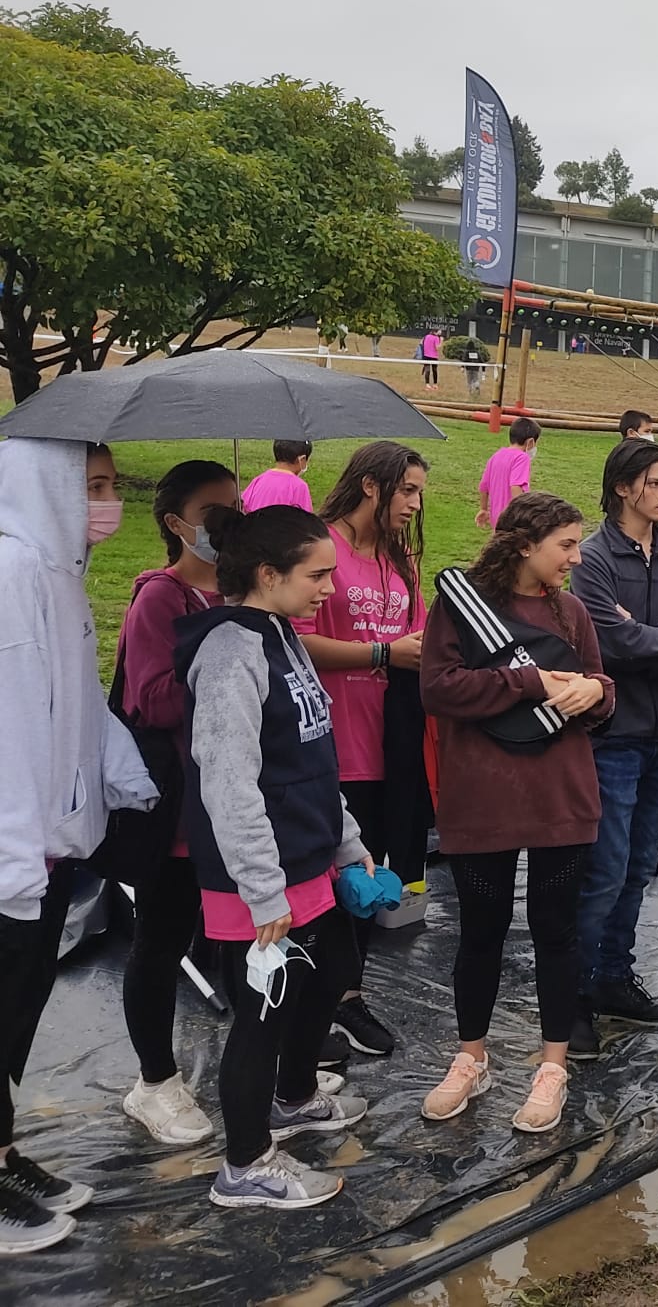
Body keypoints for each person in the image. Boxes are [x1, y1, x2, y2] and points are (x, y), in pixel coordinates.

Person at [175, 504, 373, 1209]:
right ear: (267, 574)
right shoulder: (231, 652)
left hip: (307, 858)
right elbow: (227, 783)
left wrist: (347, 842)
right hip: (258, 878)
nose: (330, 587)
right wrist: (263, 892)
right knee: (262, 1016)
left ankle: (292, 1099)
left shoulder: (281, 632)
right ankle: (246, 1163)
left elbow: (313, 755)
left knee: (329, 980)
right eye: (317, 574)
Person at [0, 439, 156, 1250]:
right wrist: (15, 854)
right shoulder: (12, 575)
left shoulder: (59, 574)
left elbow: (80, 708)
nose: (107, 502)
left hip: (50, 847)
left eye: (109, 484)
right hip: (13, 854)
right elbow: (10, 724)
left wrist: (126, 776)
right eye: (90, 486)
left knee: (18, 1010)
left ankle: (4, 1153)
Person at [419, 494, 615, 1134]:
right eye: (566, 545)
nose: (576, 558)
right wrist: (533, 683)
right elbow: (439, 688)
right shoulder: (461, 605)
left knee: (557, 931)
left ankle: (553, 1066)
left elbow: (596, 688)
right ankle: (471, 1056)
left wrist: (595, 692)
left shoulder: (574, 611)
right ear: (525, 544)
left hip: (560, 798)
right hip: (483, 797)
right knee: (481, 931)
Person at [569, 441, 658, 1057]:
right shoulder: (593, 560)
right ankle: (572, 999)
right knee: (603, 872)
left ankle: (613, 978)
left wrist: (649, 636)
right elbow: (612, 645)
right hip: (611, 738)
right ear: (626, 487)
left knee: (641, 868)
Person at [113, 459, 237, 1148]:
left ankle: (265, 1061)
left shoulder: (237, 592)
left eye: (235, 508)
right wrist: (223, 659)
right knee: (160, 941)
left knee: (236, 933)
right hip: (179, 813)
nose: (229, 523)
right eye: (216, 514)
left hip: (232, 805)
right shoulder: (159, 599)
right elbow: (150, 700)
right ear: (177, 524)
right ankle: (155, 1081)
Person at [296, 442, 431, 1060]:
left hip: (389, 741)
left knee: (370, 873)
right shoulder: (322, 549)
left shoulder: (400, 558)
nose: (414, 503)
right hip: (327, 740)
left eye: (418, 491)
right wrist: (381, 654)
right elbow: (294, 640)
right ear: (372, 486)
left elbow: (416, 637)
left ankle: (348, 998)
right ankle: (307, 1008)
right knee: (320, 882)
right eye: (405, 490)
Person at [477, 418, 539, 527]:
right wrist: (521, 513)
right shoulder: (522, 458)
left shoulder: (496, 456)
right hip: (512, 519)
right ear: (530, 442)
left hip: (496, 518)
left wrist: (483, 509)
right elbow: (516, 486)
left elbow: (483, 486)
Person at [241, 441, 315, 514]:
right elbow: (306, 521)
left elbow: (244, 505)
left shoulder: (258, 480)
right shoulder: (299, 486)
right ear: (302, 460)